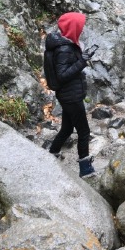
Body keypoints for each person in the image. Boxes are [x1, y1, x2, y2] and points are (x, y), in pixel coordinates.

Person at [43, 12, 96, 177]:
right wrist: (82, 61)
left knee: (67, 128)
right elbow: (63, 75)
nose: (82, 29)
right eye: (80, 27)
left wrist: (81, 57)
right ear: (73, 28)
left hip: (68, 95)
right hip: (71, 97)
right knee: (84, 131)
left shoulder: (64, 44)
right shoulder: (64, 48)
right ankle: (85, 168)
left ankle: (52, 153)